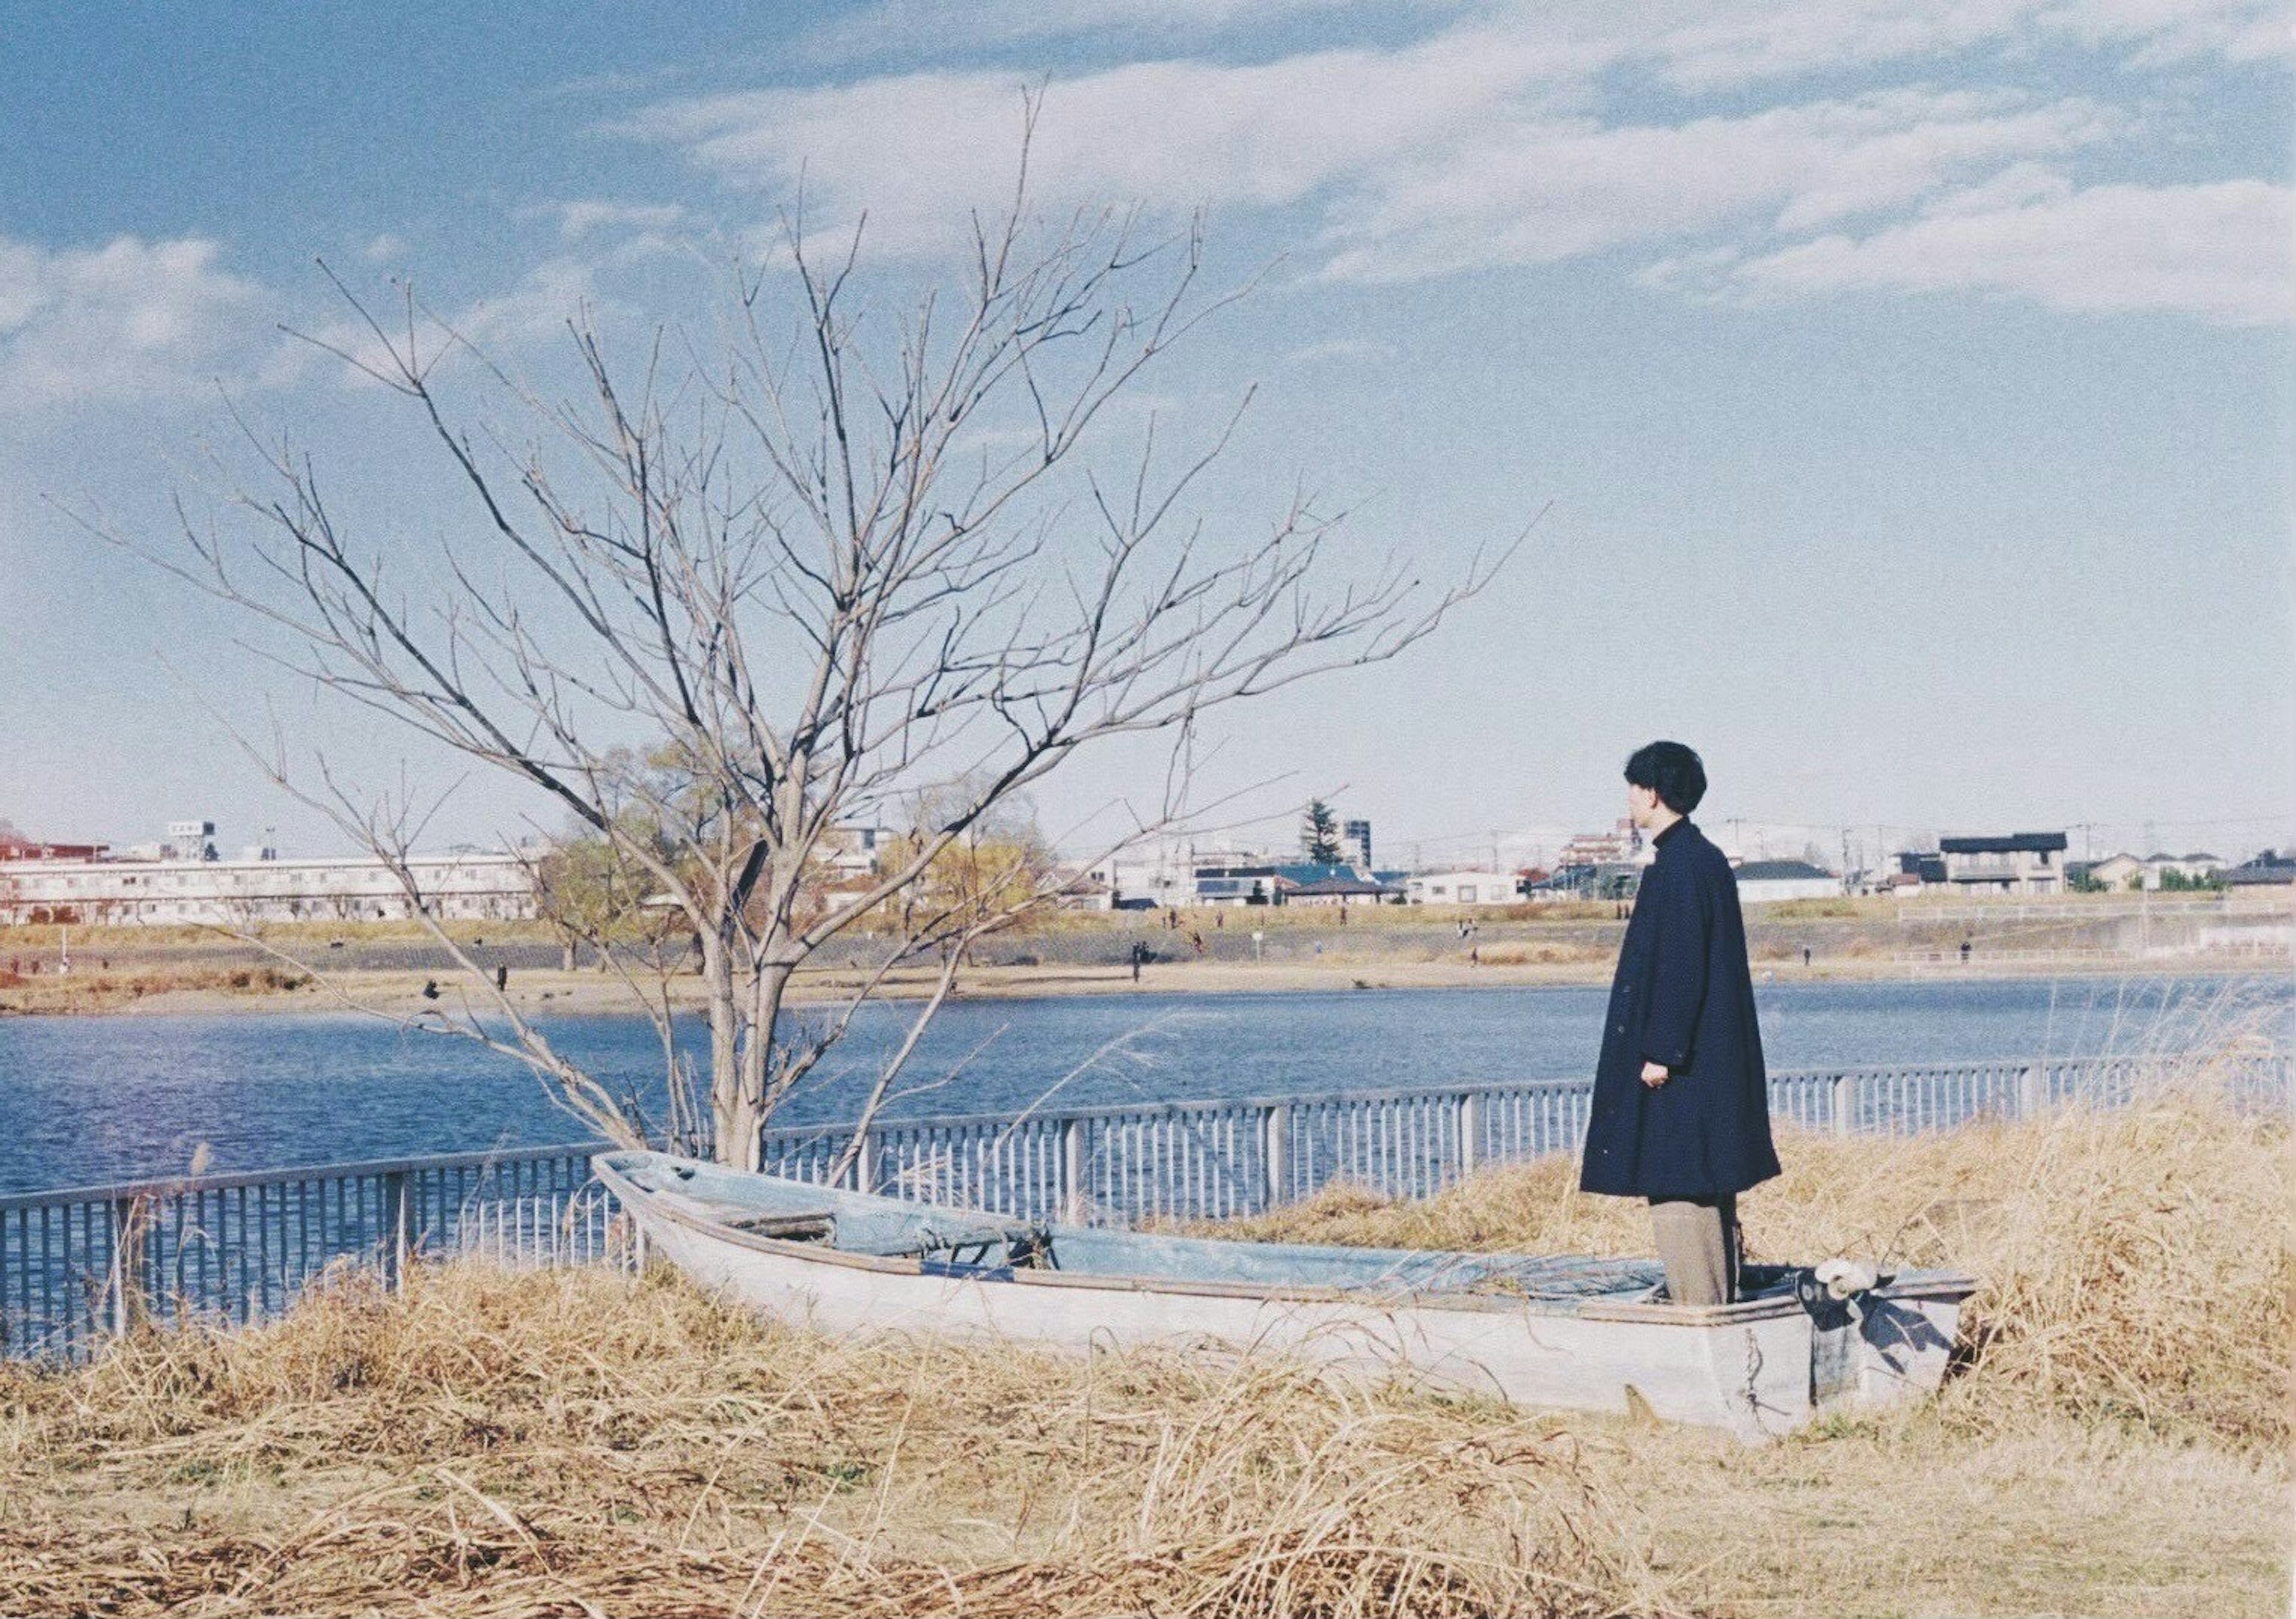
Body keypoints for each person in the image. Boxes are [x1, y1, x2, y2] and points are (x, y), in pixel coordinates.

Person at [1579, 741, 1780, 1306]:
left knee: (1677, 1182)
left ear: (1653, 792)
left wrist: (1661, 1052)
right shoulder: (1699, 859)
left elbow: (1681, 966)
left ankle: (1702, 1317)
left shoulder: (1681, 867)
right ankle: (1716, 1305)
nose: (1630, 799)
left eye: (1634, 788)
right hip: (1707, 1058)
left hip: (1681, 1064)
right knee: (1704, 1181)